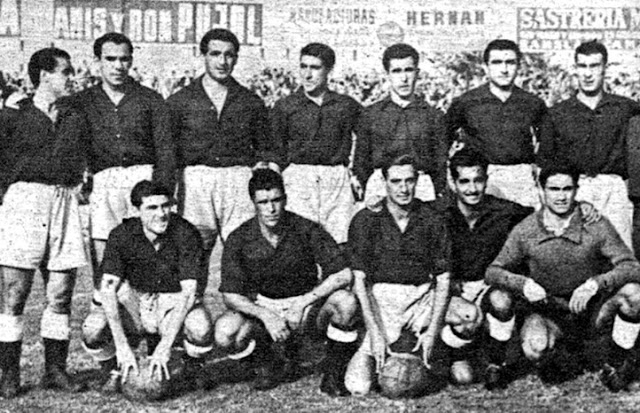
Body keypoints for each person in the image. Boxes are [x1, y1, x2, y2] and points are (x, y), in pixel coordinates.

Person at [435, 148, 599, 389]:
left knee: (502, 300)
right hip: (454, 294)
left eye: (478, 180)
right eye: (465, 182)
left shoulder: (506, 211)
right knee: (463, 378)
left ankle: (495, 362)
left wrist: (579, 206)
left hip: (489, 292)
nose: (472, 188)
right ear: (452, 182)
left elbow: (547, 215)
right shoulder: (435, 213)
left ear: (486, 180)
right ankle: (455, 353)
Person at [486, 165, 640, 392]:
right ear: (542, 190)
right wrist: (524, 283)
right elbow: (493, 271)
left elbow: (632, 266)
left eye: (567, 189)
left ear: (577, 190)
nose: (561, 196)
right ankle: (497, 364)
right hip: (549, 311)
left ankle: (614, 366)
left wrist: (596, 283)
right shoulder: (527, 229)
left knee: (635, 294)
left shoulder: (595, 224)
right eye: (554, 189)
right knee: (534, 345)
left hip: (590, 312)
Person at [214, 169, 358, 396]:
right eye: (263, 202)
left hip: (305, 306)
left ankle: (333, 375)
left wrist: (303, 303)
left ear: (285, 199)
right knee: (225, 331)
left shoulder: (306, 228)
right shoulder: (239, 237)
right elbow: (230, 295)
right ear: (254, 203)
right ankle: (267, 361)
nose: (271, 209)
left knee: (346, 302)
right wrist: (266, 315)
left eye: (276, 200)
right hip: (264, 307)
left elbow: (343, 274)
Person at [0, 47, 88, 398]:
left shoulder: (74, 115)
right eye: (65, 72)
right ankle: (8, 375)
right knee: (15, 293)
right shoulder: (13, 115)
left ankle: (55, 370)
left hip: (64, 199)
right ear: (43, 76)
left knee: (61, 292)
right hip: (26, 200)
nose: (71, 77)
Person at [82, 181, 213, 394]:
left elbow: (189, 294)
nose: (161, 214)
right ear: (137, 210)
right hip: (136, 305)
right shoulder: (122, 234)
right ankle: (113, 369)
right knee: (93, 327)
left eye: (165, 206)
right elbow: (107, 289)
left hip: (171, 304)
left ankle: (191, 368)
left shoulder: (185, 232)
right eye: (152, 208)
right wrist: (122, 345)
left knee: (201, 326)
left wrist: (165, 345)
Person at [74, 32, 175, 304]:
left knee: (147, 254)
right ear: (97, 62)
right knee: (105, 261)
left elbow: (166, 150)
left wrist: (161, 192)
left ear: (131, 61)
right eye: (110, 59)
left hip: (142, 180)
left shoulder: (150, 99)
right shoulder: (82, 101)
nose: (118, 66)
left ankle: (153, 329)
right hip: (104, 182)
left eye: (124, 59)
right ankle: (110, 334)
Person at [167, 28, 279, 259]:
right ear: (203, 56)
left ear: (236, 58)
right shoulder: (180, 100)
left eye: (229, 55)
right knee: (193, 252)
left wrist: (258, 169)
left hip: (237, 179)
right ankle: (194, 297)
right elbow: (168, 149)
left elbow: (265, 147)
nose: (222, 61)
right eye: (215, 54)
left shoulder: (250, 101)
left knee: (244, 251)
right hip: (195, 180)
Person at [344, 154, 451, 395]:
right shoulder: (366, 219)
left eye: (409, 180)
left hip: (421, 296)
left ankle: (442, 355)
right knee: (358, 387)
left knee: (465, 316)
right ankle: (370, 349)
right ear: (384, 182)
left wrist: (433, 332)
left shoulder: (432, 218)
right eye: (396, 181)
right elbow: (359, 280)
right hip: (382, 298)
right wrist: (374, 333)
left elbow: (443, 279)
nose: (403, 188)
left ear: (417, 181)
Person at [539, 40, 640, 249]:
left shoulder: (626, 108)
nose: (587, 73)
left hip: (614, 190)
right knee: (575, 256)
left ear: (605, 68)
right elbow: (546, 164)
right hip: (575, 189)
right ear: (575, 69)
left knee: (621, 257)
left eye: (594, 66)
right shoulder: (557, 113)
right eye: (582, 66)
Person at [270, 43, 361, 244]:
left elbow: (368, 137)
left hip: (335, 178)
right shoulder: (285, 106)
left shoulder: (346, 105)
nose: (307, 74)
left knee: (339, 243)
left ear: (329, 69)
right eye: (304, 67)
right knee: (299, 244)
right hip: (298, 178)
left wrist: (358, 174)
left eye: (315, 68)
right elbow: (274, 150)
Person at [445, 39, 546, 208]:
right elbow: (442, 141)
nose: (504, 69)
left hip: (521, 180)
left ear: (518, 66)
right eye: (497, 62)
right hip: (481, 180)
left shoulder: (533, 103)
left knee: (526, 230)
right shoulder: (466, 102)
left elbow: (547, 146)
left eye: (510, 62)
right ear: (486, 67)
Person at [353, 43, 448, 204]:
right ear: (387, 74)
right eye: (396, 71)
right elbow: (361, 160)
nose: (403, 78)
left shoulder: (433, 116)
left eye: (408, 70)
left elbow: (440, 163)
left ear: (417, 73)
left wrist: (436, 190)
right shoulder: (371, 114)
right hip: (381, 184)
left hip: (421, 185)